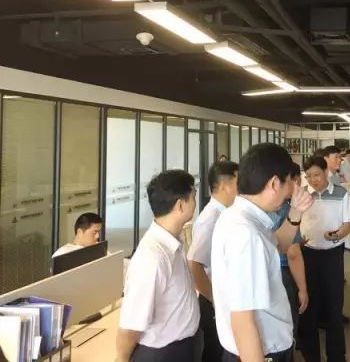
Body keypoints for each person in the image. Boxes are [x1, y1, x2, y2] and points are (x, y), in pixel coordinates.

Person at [210, 143, 313, 362]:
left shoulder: (240, 217)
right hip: (260, 353)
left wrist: (295, 212)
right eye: (289, 183)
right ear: (274, 183)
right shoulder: (245, 233)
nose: (291, 191)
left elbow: (277, 246)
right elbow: (242, 319)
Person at [116, 170, 199, 362]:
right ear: (180, 205)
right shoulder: (152, 257)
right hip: (163, 354)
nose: (195, 203)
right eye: (193, 197)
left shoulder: (173, 242)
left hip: (181, 348)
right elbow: (131, 325)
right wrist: (121, 359)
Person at [298, 156, 350, 362]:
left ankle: (336, 356)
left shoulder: (340, 193)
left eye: (317, 175)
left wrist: (337, 234)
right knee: (308, 308)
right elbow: (293, 222)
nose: (313, 180)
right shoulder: (301, 195)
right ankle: (311, 356)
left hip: (332, 255)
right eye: (309, 176)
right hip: (307, 255)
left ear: (325, 172)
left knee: (334, 307)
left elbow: (348, 224)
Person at [187, 161, 239, 362]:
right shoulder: (211, 218)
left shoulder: (225, 213)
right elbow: (195, 264)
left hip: (222, 297)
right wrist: (215, 301)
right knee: (216, 353)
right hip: (213, 300)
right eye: (238, 181)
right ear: (225, 185)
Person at [266, 163, 308, 351]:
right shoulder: (284, 208)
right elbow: (292, 253)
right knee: (287, 325)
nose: (297, 185)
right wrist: (303, 289)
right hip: (283, 273)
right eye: (294, 181)